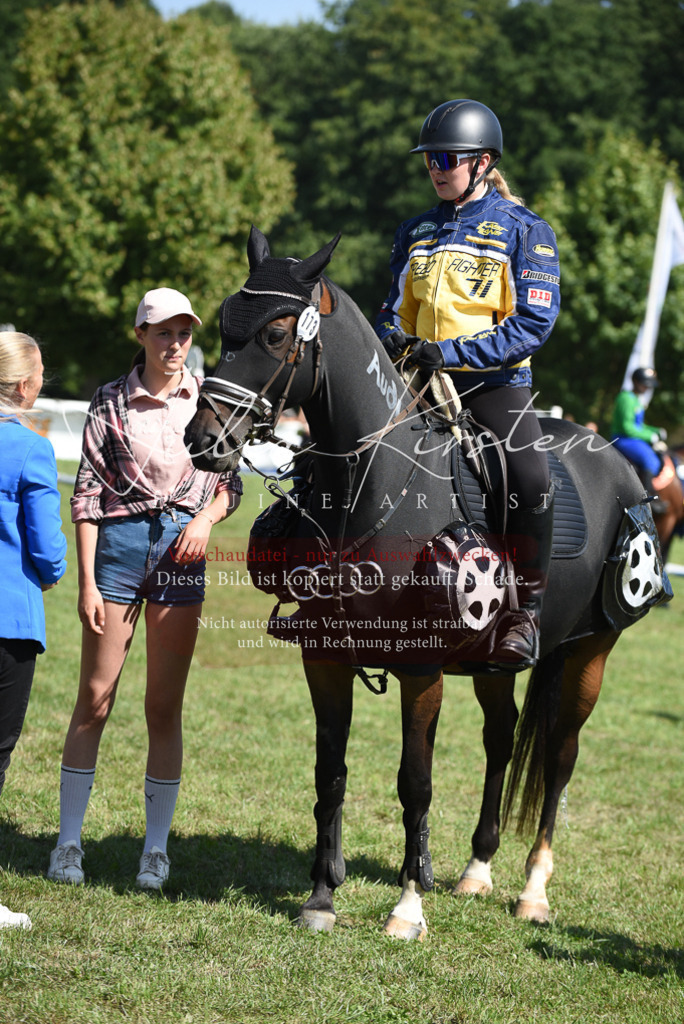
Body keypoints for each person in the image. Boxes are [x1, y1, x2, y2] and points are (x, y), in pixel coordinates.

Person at [47, 288, 242, 891]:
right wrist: (86, 584)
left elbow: (227, 483)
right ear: (141, 336)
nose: (175, 344)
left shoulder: (209, 400)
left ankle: (155, 851)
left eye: (183, 333)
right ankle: (68, 844)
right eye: (163, 333)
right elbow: (85, 497)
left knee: (163, 707)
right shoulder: (109, 400)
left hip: (182, 555)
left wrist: (205, 523)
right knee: (95, 699)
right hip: (119, 553)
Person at [375, 98, 560, 669]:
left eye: (446, 157)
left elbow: (532, 323)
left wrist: (449, 353)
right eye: (429, 158)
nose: (435, 167)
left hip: (493, 386)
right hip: (415, 379)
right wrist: (394, 342)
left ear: (482, 162)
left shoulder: (527, 231)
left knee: (530, 478)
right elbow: (392, 313)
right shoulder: (414, 231)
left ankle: (525, 611)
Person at [0, 332, 67, 928]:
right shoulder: (29, 449)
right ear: (23, 386)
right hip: (8, 620)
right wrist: (50, 575)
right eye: (40, 372)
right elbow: (48, 550)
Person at [610, 367, 667, 511]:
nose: (647, 387)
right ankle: (647, 500)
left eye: (649, 385)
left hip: (632, 438)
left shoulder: (635, 400)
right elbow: (627, 427)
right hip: (623, 438)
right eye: (644, 384)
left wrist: (655, 430)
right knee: (650, 459)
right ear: (635, 382)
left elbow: (639, 426)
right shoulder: (626, 398)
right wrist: (650, 436)